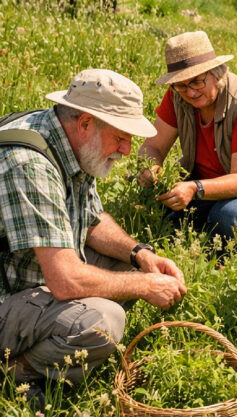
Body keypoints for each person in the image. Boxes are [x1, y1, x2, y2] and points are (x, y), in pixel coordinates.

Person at [0, 69, 187, 395]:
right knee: (103, 321)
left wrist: (140, 254)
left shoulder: (63, 136)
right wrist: (144, 285)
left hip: (23, 274)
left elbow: (90, 219)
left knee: (129, 270)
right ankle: (15, 374)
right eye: (121, 137)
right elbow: (65, 279)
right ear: (86, 122)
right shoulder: (29, 164)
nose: (128, 150)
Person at [138, 31, 237, 241]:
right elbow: (154, 146)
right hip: (210, 182)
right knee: (156, 201)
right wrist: (150, 169)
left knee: (229, 218)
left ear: (216, 72)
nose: (190, 93)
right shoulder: (177, 96)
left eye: (197, 82)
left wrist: (195, 188)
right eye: (180, 85)